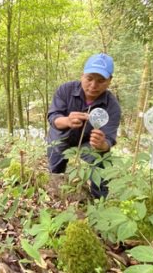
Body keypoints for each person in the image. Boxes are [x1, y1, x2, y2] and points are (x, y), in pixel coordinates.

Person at [46, 53, 121, 198]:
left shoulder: (112, 106)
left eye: (101, 81)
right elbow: (53, 117)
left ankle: (99, 200)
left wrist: (102, 144)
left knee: (102, 160)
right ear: (82, 76)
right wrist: (67, 121)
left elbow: (109, 140)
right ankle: (55, 196)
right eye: (89, 79)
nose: (93, 86)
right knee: (55, 169)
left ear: (110, 81)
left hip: (88, 143)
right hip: (61, 136)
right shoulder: (65, 90)